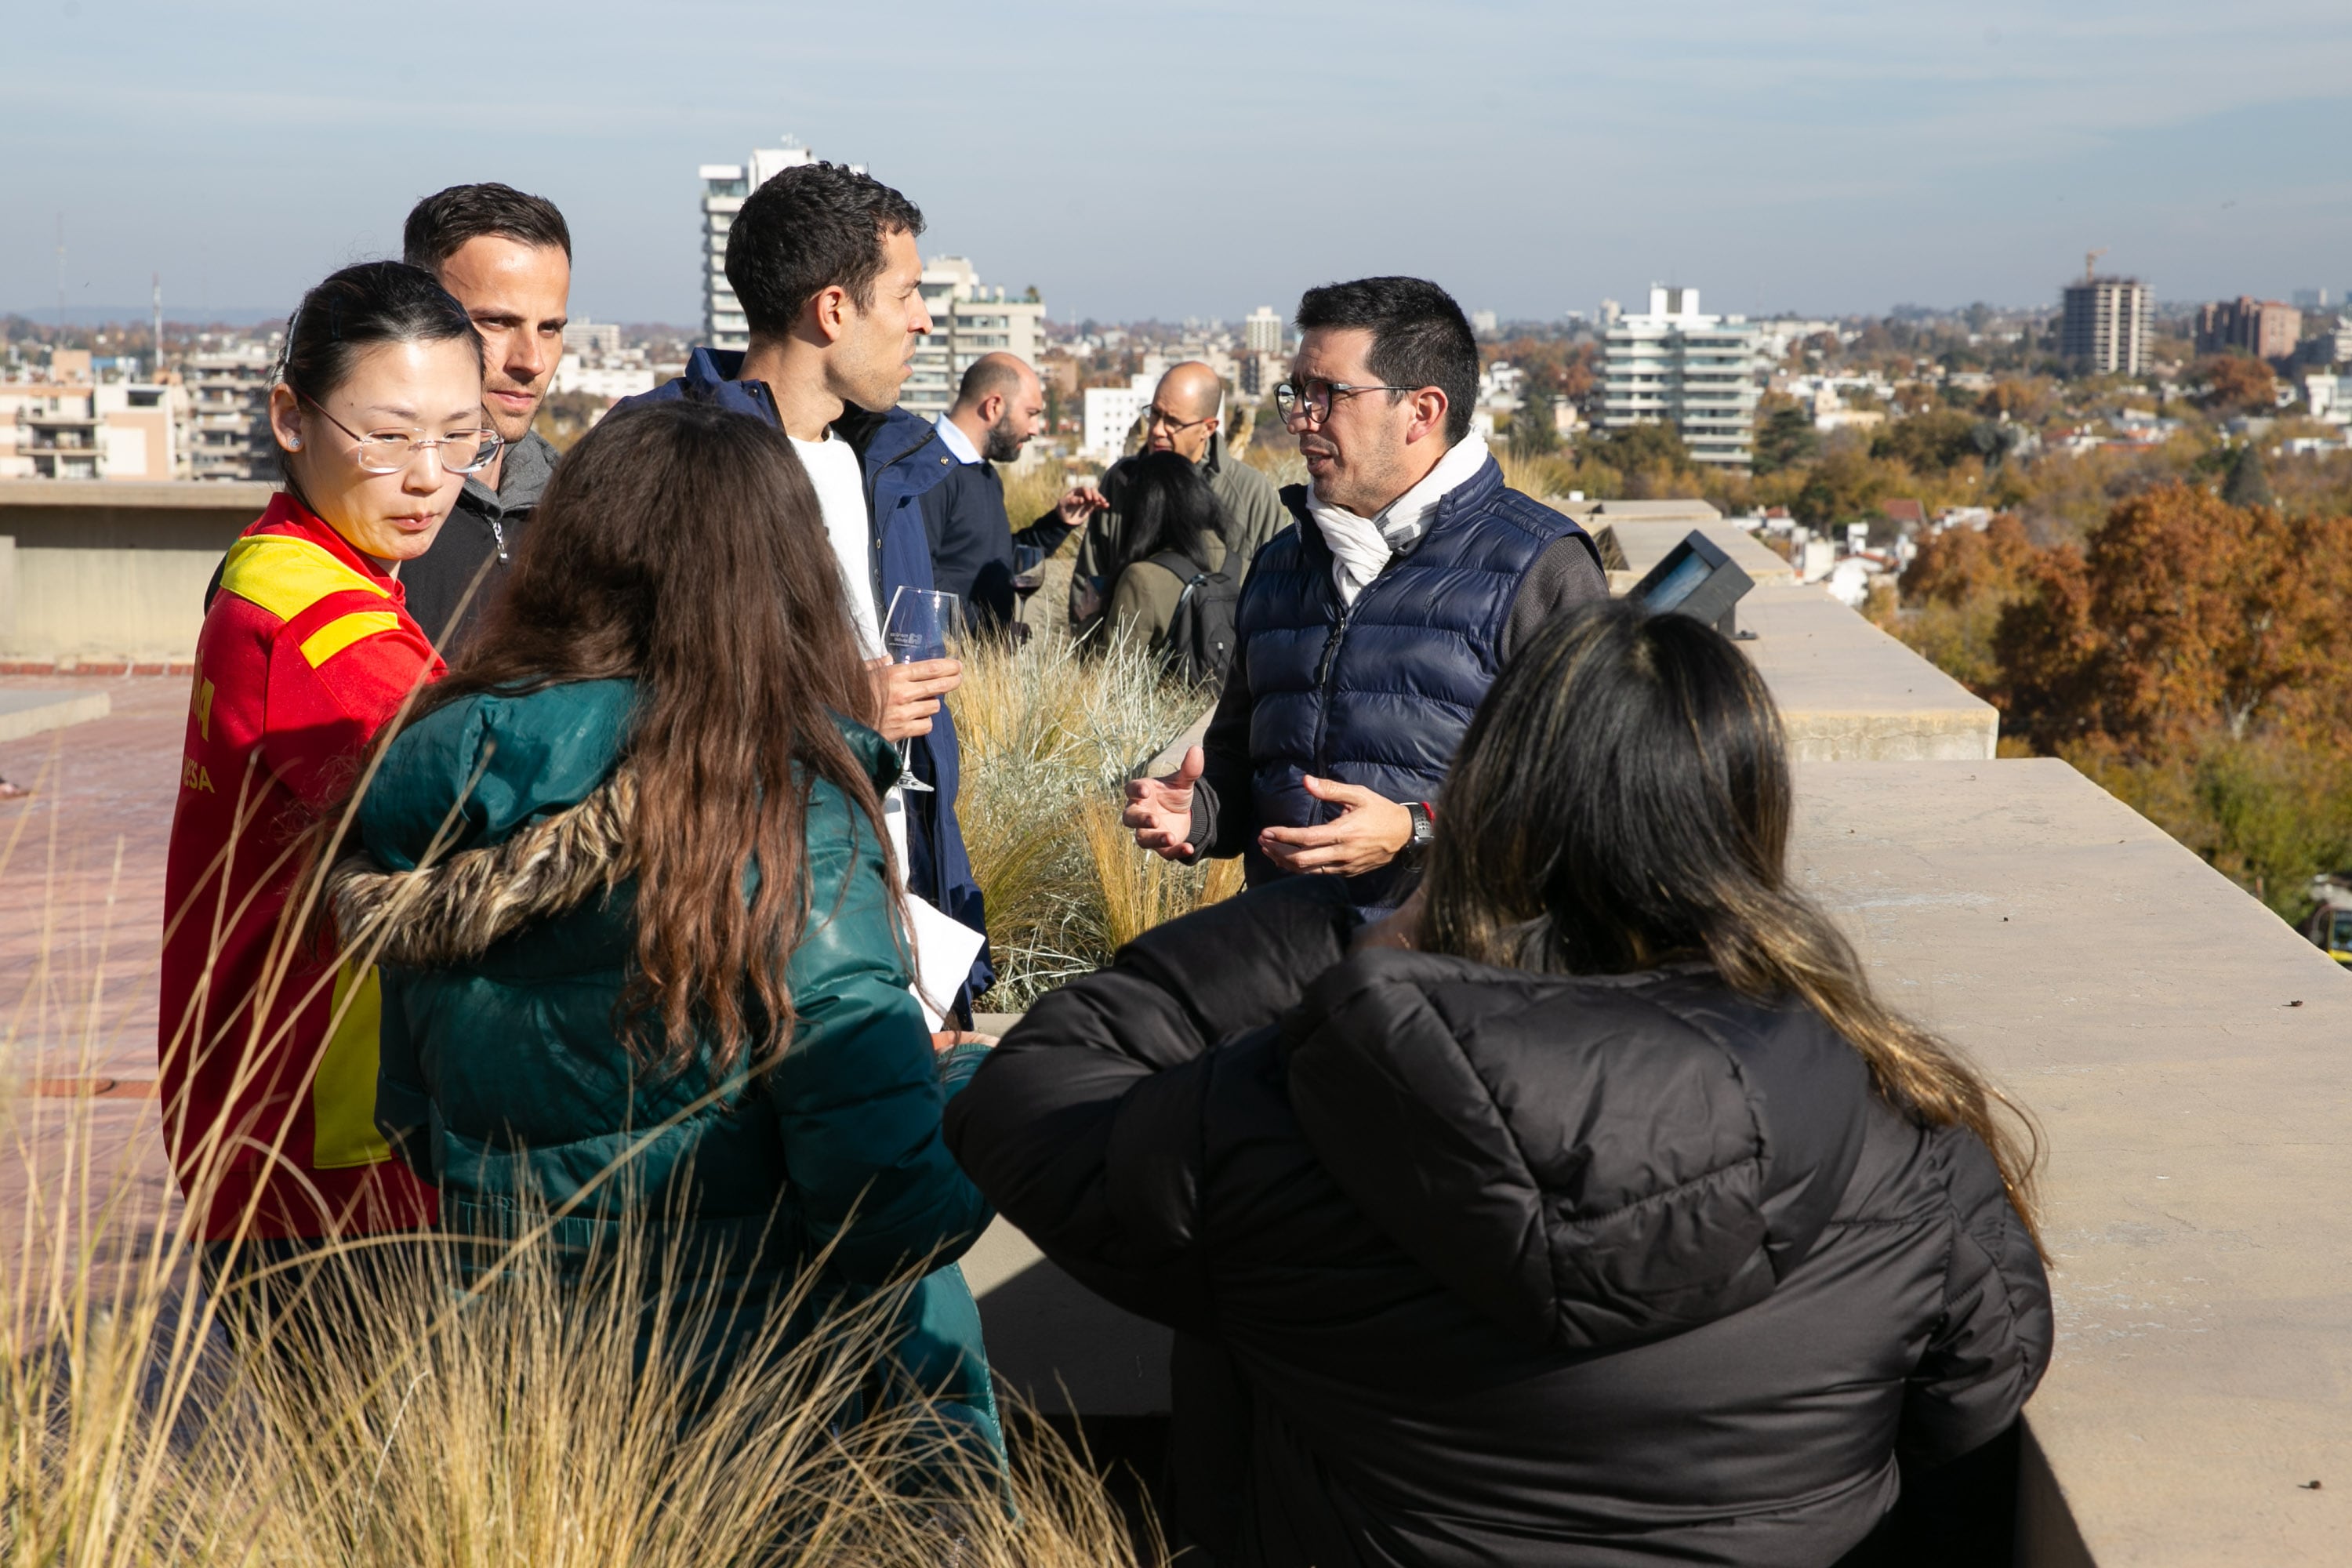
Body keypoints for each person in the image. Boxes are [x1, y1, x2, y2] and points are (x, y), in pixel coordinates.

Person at [947, 599, 2054, 1566]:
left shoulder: (1296, 1124)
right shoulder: (1903, 1131)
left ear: (1486, 807)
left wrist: (1364, 934)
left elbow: (1031, 1098)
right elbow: (1975, 1397)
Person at [327, 399, 1002, 1465]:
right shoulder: (786, 809)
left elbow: (413, 1117)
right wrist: (975, 1094)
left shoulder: (443, 778)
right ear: (779, 576)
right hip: (766, 1416)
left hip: (515, 1401)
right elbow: (885, 1211)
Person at [160, 262, 490, 1287]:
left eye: (459, 434)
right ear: (291, 421)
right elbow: (491, 809)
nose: (431, 474)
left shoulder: (289, 572)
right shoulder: (317, 625)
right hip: (336, 1155)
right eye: (387, 437)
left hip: (286, 1138)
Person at [616, 162, 991, 1013]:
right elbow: (618, 700)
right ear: (833, 309)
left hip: (889, 933)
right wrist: (829, 706)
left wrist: (940, 969)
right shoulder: (663, 456)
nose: (925, 322)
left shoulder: (890, 463)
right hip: (746, 951)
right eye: (907, 295)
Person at [1122, 277, 1606, 916]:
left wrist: (1415, 831)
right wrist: (1197, 813)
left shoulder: (1542, 569)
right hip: (1287, 958)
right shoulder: (1280, 565)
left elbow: (1593, 805)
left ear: (1423, 412)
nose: (1300, 418)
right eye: (1297, 392)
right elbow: (1245, 761)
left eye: (1330, 395)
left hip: (1454, 976)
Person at [396, 183, 572, 650]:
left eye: (550, 328)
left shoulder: (583, 511)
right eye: (496, 322)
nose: (531, 360)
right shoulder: (361, 528)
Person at [1058, 360, 1287, 637]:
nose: (1156, 430)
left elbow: (1277, 593)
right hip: (1122, 660)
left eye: (1172, 422)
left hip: (1222, 670)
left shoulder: (1252, 493)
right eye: (1154, 415)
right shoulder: (1120, 482)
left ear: (1208, 427)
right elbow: (1089, 585)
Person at [918, 352, 1069, 635]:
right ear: (994, 407)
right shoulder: (931, 469)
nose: (1036, 429)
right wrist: (986, 631)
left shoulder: (983, 471)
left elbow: (993, 556)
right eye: (1031, 414)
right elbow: (921, 572)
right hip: (949, 667)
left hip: (982, 663)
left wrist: (1059, 524)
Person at [1099, 450, 1237, 684]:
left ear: (1145, 510)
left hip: (1178, 719)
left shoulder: (1141, 579)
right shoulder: (1249, 568)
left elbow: (1113, 682)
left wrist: (1088, 620)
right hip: (1243, 718)